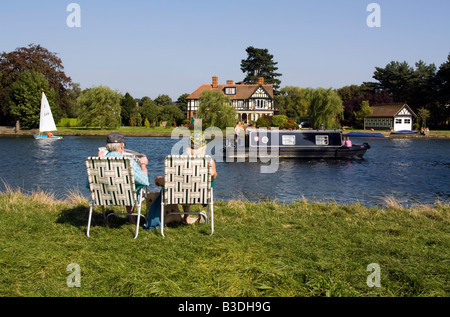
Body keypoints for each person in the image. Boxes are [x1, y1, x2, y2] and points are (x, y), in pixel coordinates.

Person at [153, 133, 218, 225]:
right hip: (201, 196)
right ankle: (186, 217)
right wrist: (214, 174)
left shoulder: (179, 162)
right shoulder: (209, 162)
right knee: (189, 185)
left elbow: (170, 180)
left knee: (184, 184)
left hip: (179, 195)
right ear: (204, 148)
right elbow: (212, 177)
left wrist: (159, 180)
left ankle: (186, 217)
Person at [99, 132, 149, 223]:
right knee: (129, 185)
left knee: (124, 184)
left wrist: (99, 158)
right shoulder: (128, 162)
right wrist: (143, 164)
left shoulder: (98, 162)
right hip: (126, 196)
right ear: (121, 146)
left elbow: (89, 184)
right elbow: (145, 181)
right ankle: (131, 217)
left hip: (104, 197)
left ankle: (106, 214)